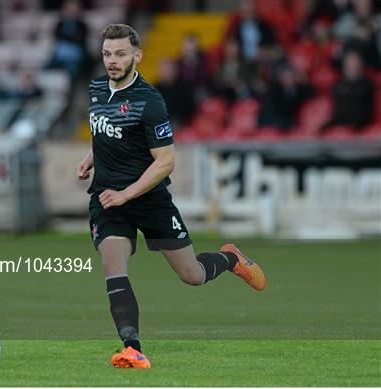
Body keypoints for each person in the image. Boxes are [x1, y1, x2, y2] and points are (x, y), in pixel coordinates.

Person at [76, 24, 267, 369]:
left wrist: (126, 194)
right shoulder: (95, 88)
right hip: (107, 198)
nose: (113, 61)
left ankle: (231, 259)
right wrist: (93, 157)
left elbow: (165, 163)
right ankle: (132, 348)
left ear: (137, 56)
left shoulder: (150, 102)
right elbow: (105, 131)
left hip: (148, 199)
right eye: (107, 54)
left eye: (120, 54)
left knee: (192, 275)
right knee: (112, 264)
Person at [323, 50, 374, 130]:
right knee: (324, 128)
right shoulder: (339, 83)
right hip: (341, 117)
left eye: (354, 62)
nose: (352, 65)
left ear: (360, 64)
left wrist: (347, 90)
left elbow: (360, 96)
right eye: (349, 63)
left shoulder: (367, 83)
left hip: (359, 120)